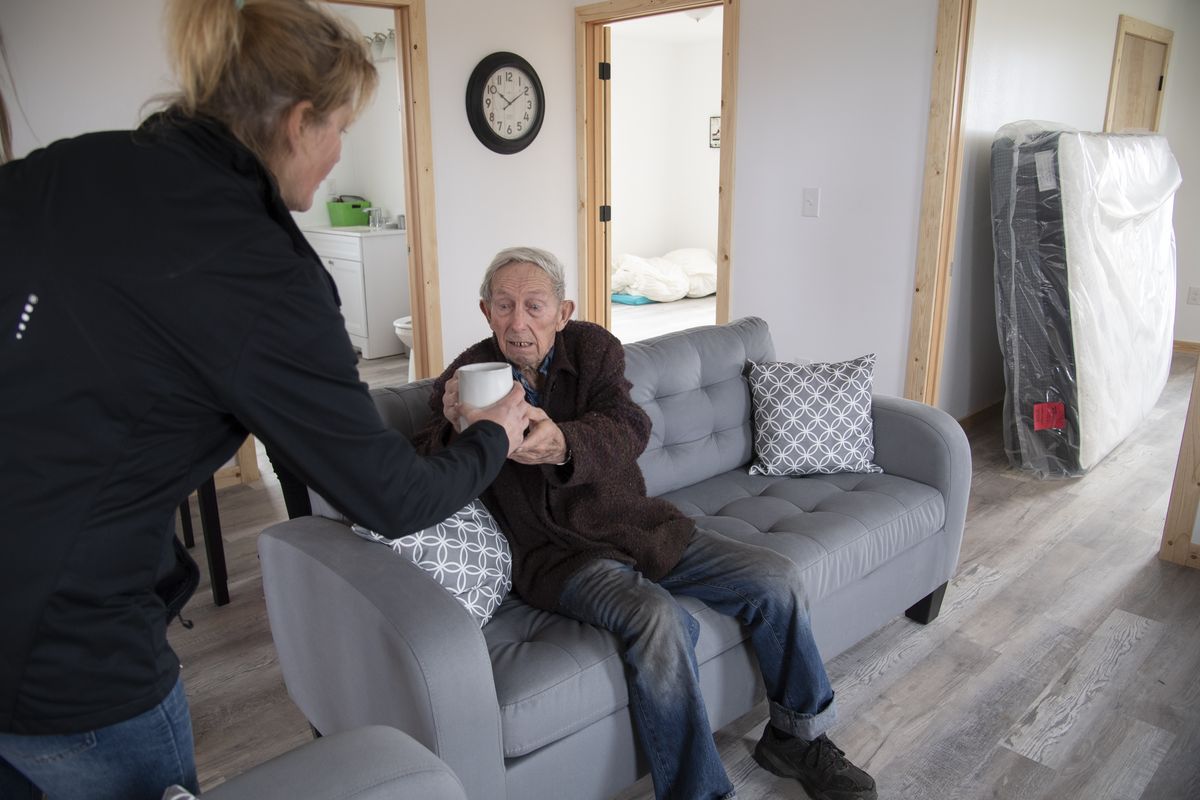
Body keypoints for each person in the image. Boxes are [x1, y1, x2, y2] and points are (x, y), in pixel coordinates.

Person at [0, 2, 531, 798]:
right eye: (340, 128)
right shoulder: (261, 271)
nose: (339, 152)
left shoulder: (66, 168)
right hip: (64, 659)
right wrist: (491, 436)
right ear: (299, 120)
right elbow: (393, 496)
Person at [418, 247, 878, 800]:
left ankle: (797, 738)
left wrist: (564, 443)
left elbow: (628, 426)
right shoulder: (467, 375)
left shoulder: (592, 348)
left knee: (776, 579)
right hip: (557, 558)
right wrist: (451, 428)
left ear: (562, 312)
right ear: (486, 311)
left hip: (637, 524)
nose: (518, 323)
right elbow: (422, 465)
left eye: (534, 307)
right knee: (658, 619)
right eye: (504, 306)